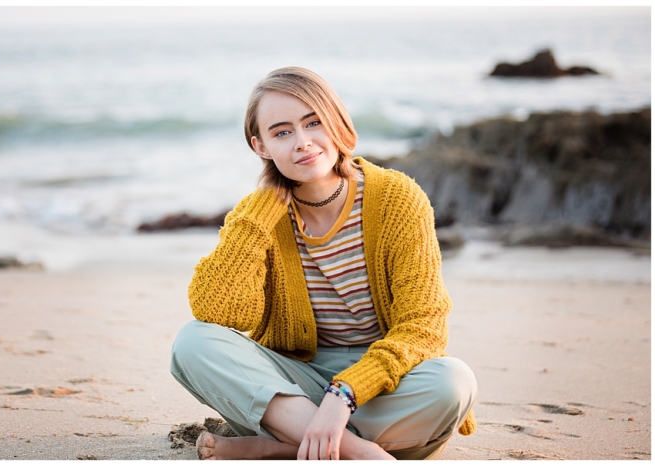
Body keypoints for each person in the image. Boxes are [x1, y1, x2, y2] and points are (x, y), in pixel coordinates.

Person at [170, 66, 477, 460]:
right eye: (281, 132)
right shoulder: (257, 217)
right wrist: (263, 208)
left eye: (312, 122)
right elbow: (217, 309)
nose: (302, 142)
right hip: (296, 381)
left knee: (453, 383)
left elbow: (425, 326)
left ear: (335, 121)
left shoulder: (398, 198)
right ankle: (358, 452)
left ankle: (278, 444)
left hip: (381, 385)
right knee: (192, 343)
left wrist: (343, 395)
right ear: (261, 146)